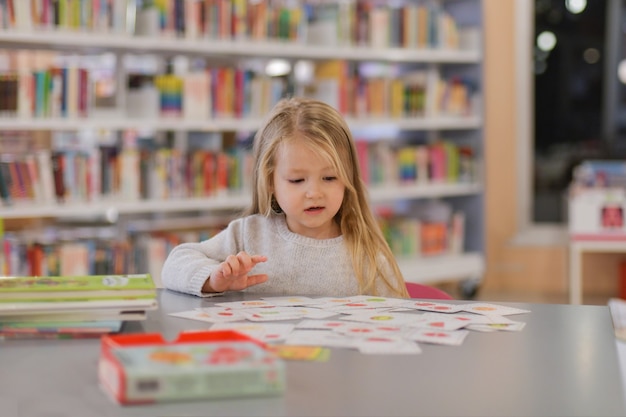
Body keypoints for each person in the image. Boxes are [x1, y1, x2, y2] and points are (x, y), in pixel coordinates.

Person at [161, 97, 409, 299]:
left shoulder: (364, 251)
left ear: (348, 178)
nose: (314, 193)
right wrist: (212, 279)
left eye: (330, 178)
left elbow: (397, 321)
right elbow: (174, 263)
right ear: (270, 182)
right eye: (297, 181)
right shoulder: (249, 234)